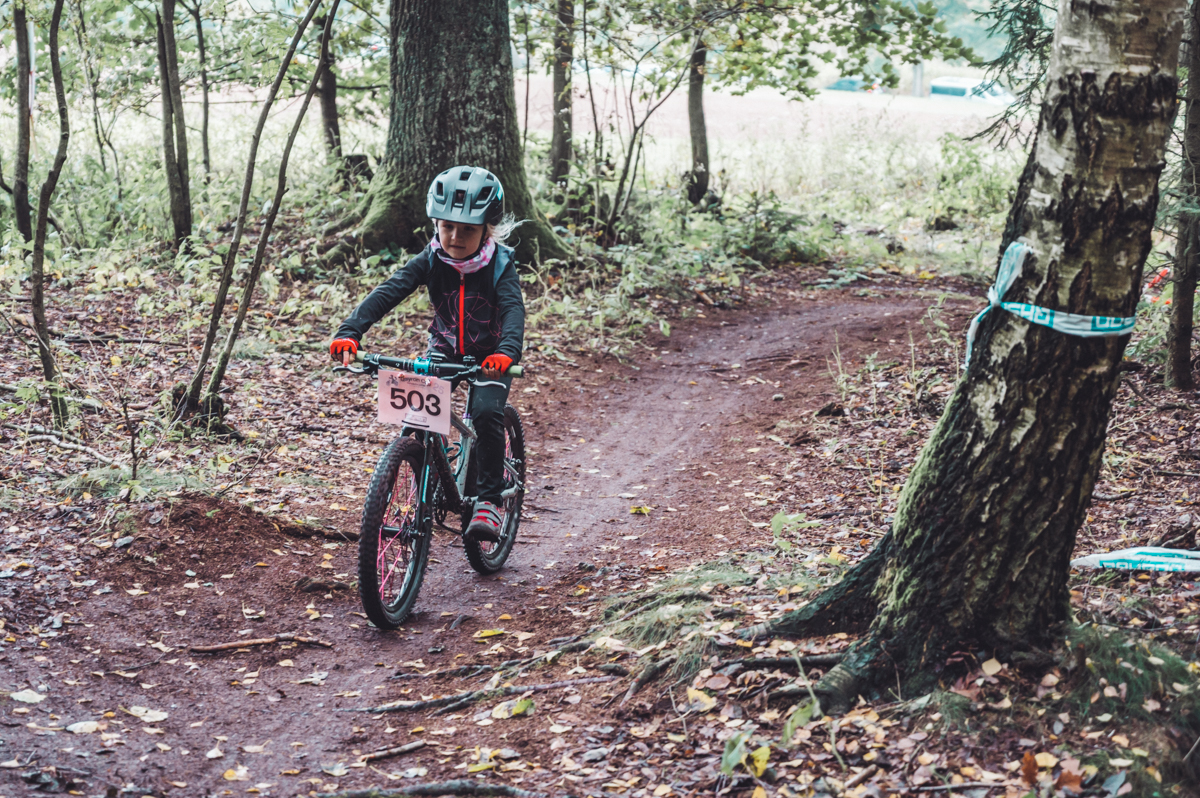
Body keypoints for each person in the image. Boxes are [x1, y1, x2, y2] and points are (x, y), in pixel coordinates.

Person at [329, 166, 525, 543]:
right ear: (436, 223)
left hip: (491, 357)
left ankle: (488, 501)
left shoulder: (499, 264)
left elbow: (513, 310)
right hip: (444, 349)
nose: (455, 237)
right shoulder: (432, 257)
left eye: (467, 229)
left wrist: (506, 352)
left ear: (486, 230)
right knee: (418, 414)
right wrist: (350, 331)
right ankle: (424, 481)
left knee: (486, 413)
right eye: (447, 226)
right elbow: (391, 290)